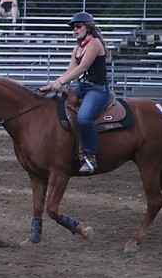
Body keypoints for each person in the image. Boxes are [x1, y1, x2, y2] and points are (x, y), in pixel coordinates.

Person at [39, 11, 110, 175]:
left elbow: (82, 68)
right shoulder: (77, 49)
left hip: (97, 89)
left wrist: (60, 83)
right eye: (73, 27)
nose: (75, 30)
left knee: (84, 118)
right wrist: (52, 86)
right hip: (83, 88)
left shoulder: (94, 44)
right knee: (56, 106)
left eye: (78, 26)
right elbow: (70, 70)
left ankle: (90, 156)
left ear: (88, 27)